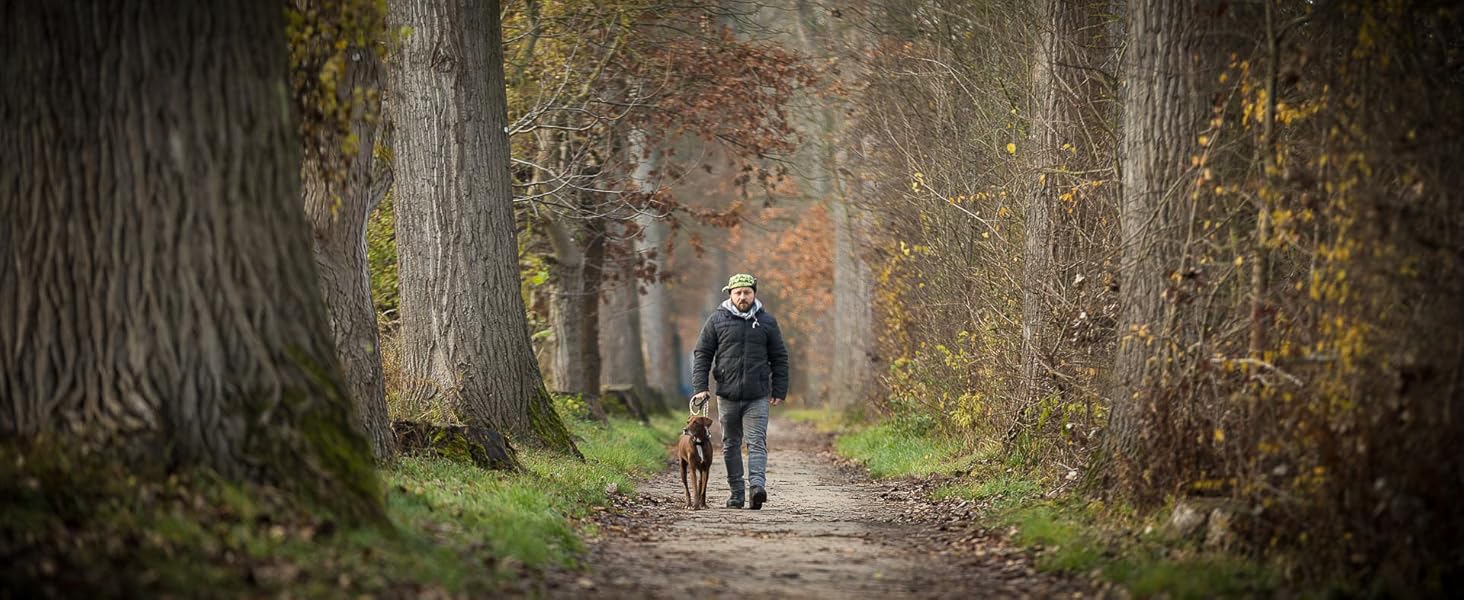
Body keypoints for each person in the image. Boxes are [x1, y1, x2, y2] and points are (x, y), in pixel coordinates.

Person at [690, 273, 790, 510]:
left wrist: (779, 389)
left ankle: (757, 488)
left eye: (747, 292)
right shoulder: (716, 320)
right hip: (727, 395)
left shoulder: (767, 322)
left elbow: (779, 357)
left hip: (758, 394)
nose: (742, 297)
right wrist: (701, 387)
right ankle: (736, 493)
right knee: (731, 444)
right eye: (738, 293)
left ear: (754, 294)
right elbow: (702, 353)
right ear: (730, 294)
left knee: (756, 442)